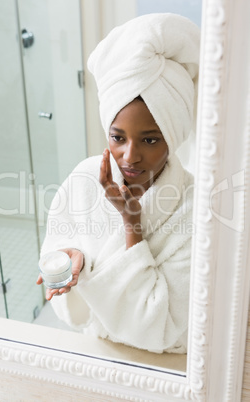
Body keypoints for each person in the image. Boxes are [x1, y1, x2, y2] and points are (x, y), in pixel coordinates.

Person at [37, 13, 200, 354]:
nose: (129, 156)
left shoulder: (194, 207)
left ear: (174, 136)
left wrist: (132, 225)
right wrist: (75, 259)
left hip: (163, 367)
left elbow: (161, 327)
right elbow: (66, 288)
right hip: (97, 354)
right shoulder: (83, 179)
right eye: (117, 137)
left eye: (150, 140)